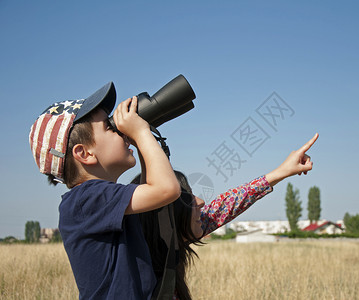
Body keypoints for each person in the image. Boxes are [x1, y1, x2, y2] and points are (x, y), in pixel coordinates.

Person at [28, 82, 181, 299]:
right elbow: (166, 189)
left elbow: (152, 191)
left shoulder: (98, 199)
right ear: (85, 153)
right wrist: (140, 133)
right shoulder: (85, 200)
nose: (122, 133)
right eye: (110, 127)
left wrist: (140, 138)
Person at [138, 133, 319, 299]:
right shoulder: (134, 268)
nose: (201, 201)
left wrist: (281, 172)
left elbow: (227, 205)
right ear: (163, 214)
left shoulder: (170, 246)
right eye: (187, 198)